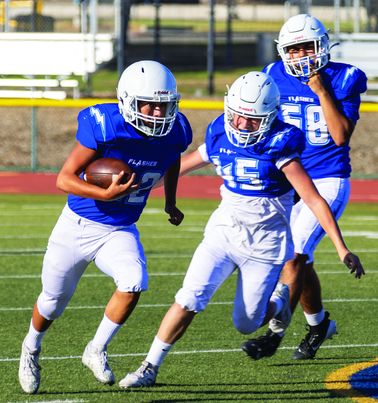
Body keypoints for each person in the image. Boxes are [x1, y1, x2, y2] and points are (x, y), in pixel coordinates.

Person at [117, 71, 364, 389]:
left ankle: (279, 306)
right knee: (189, 297)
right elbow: (189, 161)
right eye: (239, 116)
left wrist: (341, 247)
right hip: (223, 233)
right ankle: (148, 367)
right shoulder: (220, 130)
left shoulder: (281, 143)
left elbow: (314, 200)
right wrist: (144, 182)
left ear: (271, 116)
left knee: (247, 323)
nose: (243, 125)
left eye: (253, 119)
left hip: (265, 244)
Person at [18, 60, 192, 394]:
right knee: (53, 301)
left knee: (134, 281)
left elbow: (173, 158)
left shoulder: (177, 131)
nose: (157, 114)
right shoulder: (107, 126)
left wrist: (170, 201)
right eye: (149, 105)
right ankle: (31, 348)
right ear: (128, 101)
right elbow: (63, 178)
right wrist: (104, 192)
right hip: (77, 225)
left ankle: (95, 348)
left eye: (163, 106)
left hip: (119, 229)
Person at [241, 14, 367, 361]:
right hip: (287, 178)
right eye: (293, 50)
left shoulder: (344, 77)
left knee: (293, 255)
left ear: (322, 46)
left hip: (326, 178)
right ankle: (319, 324)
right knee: (301, 260)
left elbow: (341, 135)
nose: (300, 57)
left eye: (305, 48)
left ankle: (274, 333)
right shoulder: (272, 75)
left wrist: (321, 91)